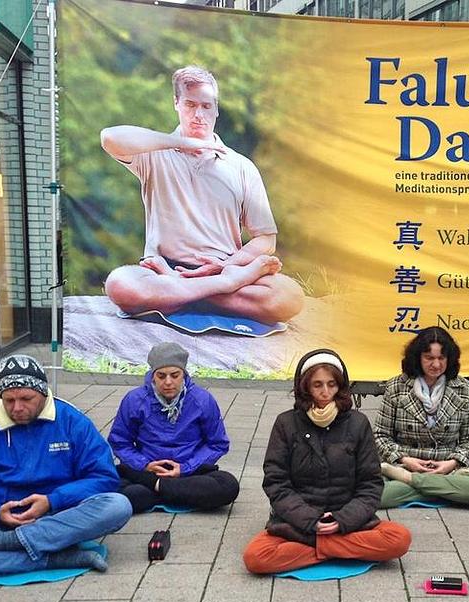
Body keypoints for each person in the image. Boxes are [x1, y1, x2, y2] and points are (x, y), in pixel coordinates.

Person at [100, 65, 304, 324]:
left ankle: (189, 292)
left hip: (224, 268)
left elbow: (266, 239)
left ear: (216, 109)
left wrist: (228, 267)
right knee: (120, 284)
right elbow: (110, 138)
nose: (199, 115)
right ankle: (220, 289)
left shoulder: (242, 167)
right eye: (190, 105)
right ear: (176, 103)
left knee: (289, 296)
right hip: (164, 269)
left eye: (206, 106)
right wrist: (182, 142)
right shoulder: (154, 154)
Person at [0, 355, 132, 578]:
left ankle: (10, 544)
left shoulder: (70, 420)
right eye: (9, 400)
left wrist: (52, 501)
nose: (17, 408)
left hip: (59, 517)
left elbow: (104, 477)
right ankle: (49, 559)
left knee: (118, 506)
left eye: (26, 399)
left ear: (43, 393)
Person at [243, 349, 411, 574]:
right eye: (317, 385)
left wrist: (341, 521)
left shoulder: (358, 423)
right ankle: (342, 551)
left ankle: (316, 551)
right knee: (256, 558)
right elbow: (276, 484)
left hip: (347, 522)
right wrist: (311, 520)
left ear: (340, 386)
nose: (325, 392)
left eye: (331, 385)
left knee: (399, 539)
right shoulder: (286, 423)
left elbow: (370, 485)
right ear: (305, 387)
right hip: (298, 525)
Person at [109, 342, 240, 513]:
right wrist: (145, 465)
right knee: (113, 485)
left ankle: (158, 489)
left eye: (175, 375)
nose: (168, 382)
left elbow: (217, 444)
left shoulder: (202, 400)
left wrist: (185, 468)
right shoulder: (134, 400)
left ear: (184, 374)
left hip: (189, 472)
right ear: (152, 376)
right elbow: (120, 442)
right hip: (147, 471)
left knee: (228, 485)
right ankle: (175, 492)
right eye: (161, 376)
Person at [374, 327, 469, 508]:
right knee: (376, 495)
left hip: (448, 469)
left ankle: (411, 482)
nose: (436, 365)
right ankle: (448, 493)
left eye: (441, 358)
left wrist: (451, 463)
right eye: (429, 358)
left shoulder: (463, 388)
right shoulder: (396, 386)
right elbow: (381, 435)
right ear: (417, 358)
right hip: (404, 465)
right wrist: (405, 460)